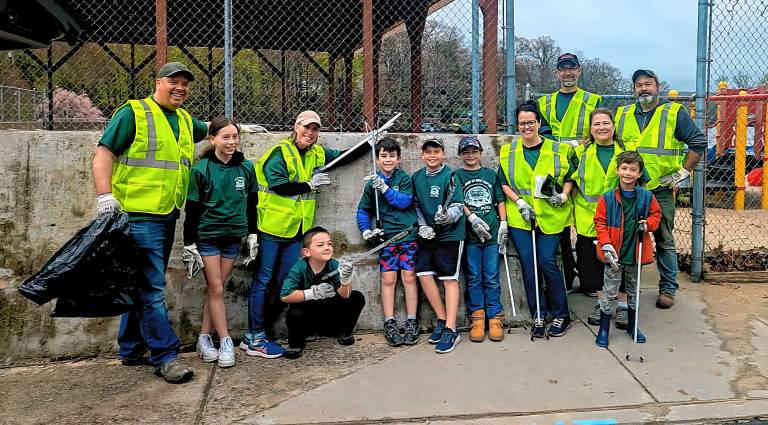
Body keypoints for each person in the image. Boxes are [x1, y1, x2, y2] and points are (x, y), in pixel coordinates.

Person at [92, 62, 209, 383]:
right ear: (158, 82)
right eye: (174, 81)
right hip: (137, 216)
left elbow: (208, 128)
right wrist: (105, 196)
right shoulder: (134, 113)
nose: (180, 88)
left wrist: (231, 129)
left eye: (186, 83)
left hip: (167, 213)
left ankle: (130, 348)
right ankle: (165, 355)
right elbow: (104, 154)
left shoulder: (185, 120)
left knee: (140, 283)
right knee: (152, 286)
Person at [244, 110, 371, 358]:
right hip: (271, 228)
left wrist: (369, 142)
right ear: (296, 127)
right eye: (306, 128)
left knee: (284, 283)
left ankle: (265, 330)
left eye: (315, 129)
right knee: (264, 280)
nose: (310, 133)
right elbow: (278, 184)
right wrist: (309, 185)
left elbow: (344, 157)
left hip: (296, 232)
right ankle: (254, 333)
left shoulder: (317, 153)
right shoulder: (280, 152)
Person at [615, 69, 706, 309]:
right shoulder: (622, 115)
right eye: (639, 85)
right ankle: (624, 287)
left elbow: (698, 143)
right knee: (625, 237)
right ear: (634, 89)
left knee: (663, 238)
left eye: (648, 84)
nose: (643, 88)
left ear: (658, 87)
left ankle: (667, 288)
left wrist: (682, 174)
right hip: (628, 189)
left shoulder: (674, 113)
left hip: (659, 190)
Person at [183, 117, 258, 368]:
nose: (231, 142)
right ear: (212, 139)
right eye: (225, 137)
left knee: (216, 289)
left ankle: (203, 338)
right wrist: (188, 242)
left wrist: (252, 234)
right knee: (216, 289)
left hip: (232, 238)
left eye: (234, 137)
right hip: (208, 237)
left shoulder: (246, 167)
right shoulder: (201, 169)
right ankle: (225, 341)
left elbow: (252, 203)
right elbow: (192, 209)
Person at [498, 101, 575, 338]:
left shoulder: (559, 150)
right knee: (529, 266)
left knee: (547, 262)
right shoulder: (508, 151)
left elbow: (571, 176)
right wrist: (519, 202)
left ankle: (562, 314)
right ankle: (538, 314)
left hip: (551, 216)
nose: (526, 127)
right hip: (521, 219)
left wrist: (563, 195)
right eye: (522, 123)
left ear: (539, 123)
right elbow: (504, 182)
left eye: (531, 122)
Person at [571, 108, 649, 329]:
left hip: (621, 221)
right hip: (589, 218)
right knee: (593, 267)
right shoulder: (580, 154)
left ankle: (623, 306)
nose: (602, 127)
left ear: (614, 126)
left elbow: (642, 184)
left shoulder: (627, 152)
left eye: (606, 123)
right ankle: (602, 302)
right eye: (596, 124)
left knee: (623, 262)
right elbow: (573, 184)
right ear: (590, 128)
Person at [537, 53, 603, 293]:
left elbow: (600, 128)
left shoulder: (593, 100)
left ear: (579, 71)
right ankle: (566, 275)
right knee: (560, 224)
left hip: (584, 165)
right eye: (563, 69)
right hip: (556, 167)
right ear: (557, 73)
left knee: (587, 225)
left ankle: (590, 278)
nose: (567, 73)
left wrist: (579, 144)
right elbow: (542, 132)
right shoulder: (544, 102)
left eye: (572, 69)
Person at [356, 138, 420, 347]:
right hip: (387, 240)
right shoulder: (370, 184)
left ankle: (412, 321)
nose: (388, 159)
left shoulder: (404, 178)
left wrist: (384, 188)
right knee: (388, 279)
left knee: (409, 277)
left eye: (392, 155)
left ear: (399, 159)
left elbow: (403, 202)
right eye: (383, 155)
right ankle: (389, 322)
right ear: (377, 158)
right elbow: (362, 210)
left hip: (407, 236)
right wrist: (365, 229)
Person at [593, 151, 661, 347]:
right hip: (614, 253)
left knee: (633, 289)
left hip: (635, 252)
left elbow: (656, 215)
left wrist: (647, 224)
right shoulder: (607, 198)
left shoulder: (647, 197)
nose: (628, 173)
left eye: (633, 170)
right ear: (617, 171)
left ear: (640, 174)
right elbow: (600, 222)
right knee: (609, 291)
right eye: (624, 169)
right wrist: (605, 243)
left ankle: (633, 325)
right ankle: (604, 329)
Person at [412, 137, 466, 354]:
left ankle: (452, 330)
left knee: (448, 278)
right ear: (422, 155)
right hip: (428, 236)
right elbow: (415, 205)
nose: (432, 155)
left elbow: (458, 206)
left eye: (436, 151)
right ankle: (442, 319)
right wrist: (423, 226)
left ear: (443, 154)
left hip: (450, 235)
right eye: (428, 152)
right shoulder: (416, 177)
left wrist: (447, 217)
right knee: (424, 274)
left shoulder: (451, 176)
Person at [279, 227, 365, 359]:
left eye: (329, 244)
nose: (327, 247)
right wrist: (313, 292)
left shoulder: (335, 265)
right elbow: (285, 296)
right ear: (306, 251)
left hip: (329, 312)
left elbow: (345, 296)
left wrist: (346, 279)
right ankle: (296, 343)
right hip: (307, 313)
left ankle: (345, 333)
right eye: (320, 245)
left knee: (357, 297)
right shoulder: (299, 267)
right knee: (294, 312)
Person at [454, 135, 507, 342]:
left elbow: (499, 199)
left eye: (474, 152)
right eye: (466, 152)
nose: (470, 156)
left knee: (492, 277)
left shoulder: (489, 174)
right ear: (460, 155)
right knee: (474, 277)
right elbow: (459, 200)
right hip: (470, 237)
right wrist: (472, 217)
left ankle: (495, 317)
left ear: (480, 153)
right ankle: (477, 317)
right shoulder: (457, 176)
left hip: (492, 236)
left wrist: (503, 223)